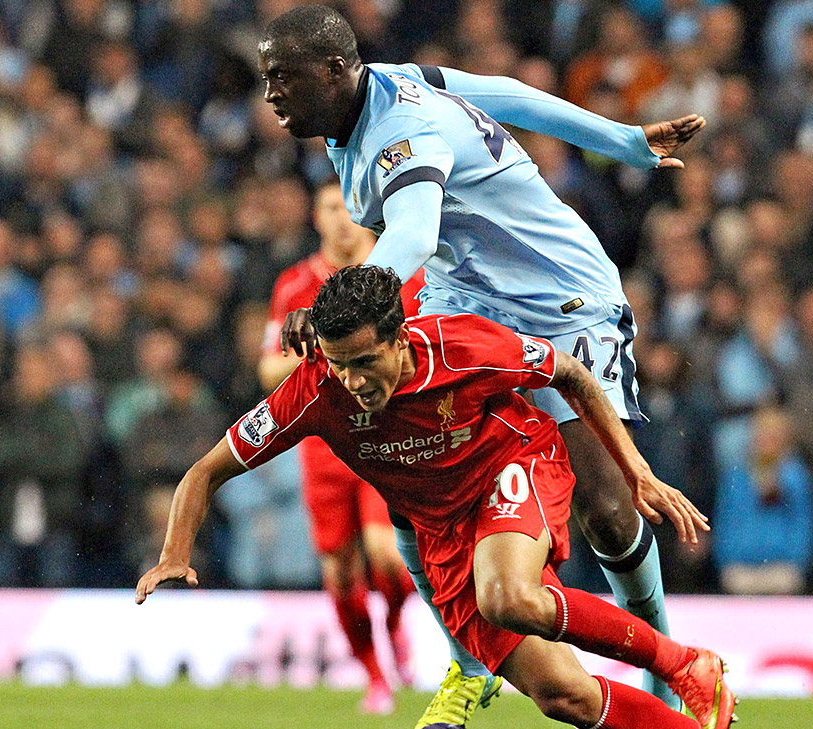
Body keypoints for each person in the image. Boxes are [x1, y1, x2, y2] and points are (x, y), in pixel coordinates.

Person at [258, 5, 705, 721]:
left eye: (283, 77)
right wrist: (620, 139)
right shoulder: (392, 87)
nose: (271, 93)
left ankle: (661, 655)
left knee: (608, 512)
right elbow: (505, 94)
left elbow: (413, 229)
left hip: (560, 296)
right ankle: (468, 667)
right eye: (265, 78)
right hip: (465, 297)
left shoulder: (398, 133)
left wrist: (341, 295)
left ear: (334, 70)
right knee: (405, 479)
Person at [137, 265, 736, 729]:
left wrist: (636, 471)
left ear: (400, 339)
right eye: (340, 365)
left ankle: (684, 663)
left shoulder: (461, 347)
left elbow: (572, 375)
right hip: (444, 533)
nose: (353, 381)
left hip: (515, 462)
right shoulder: (316, 391)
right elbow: (204, 472)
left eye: (366, 362)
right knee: (563, 696)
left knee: (507, 596)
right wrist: (174, 551)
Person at [258, 178, 419, 713]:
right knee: (340, 571)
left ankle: (395, 624)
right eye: (332, 206)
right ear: (316, 216)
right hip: (322, 445)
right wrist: (332, 358)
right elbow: (268, 368)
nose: (344, 218)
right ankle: (375, 676)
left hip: (383, 435)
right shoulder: (295, 284)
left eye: (352, 207)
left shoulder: (399, 275)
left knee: (385, 556)